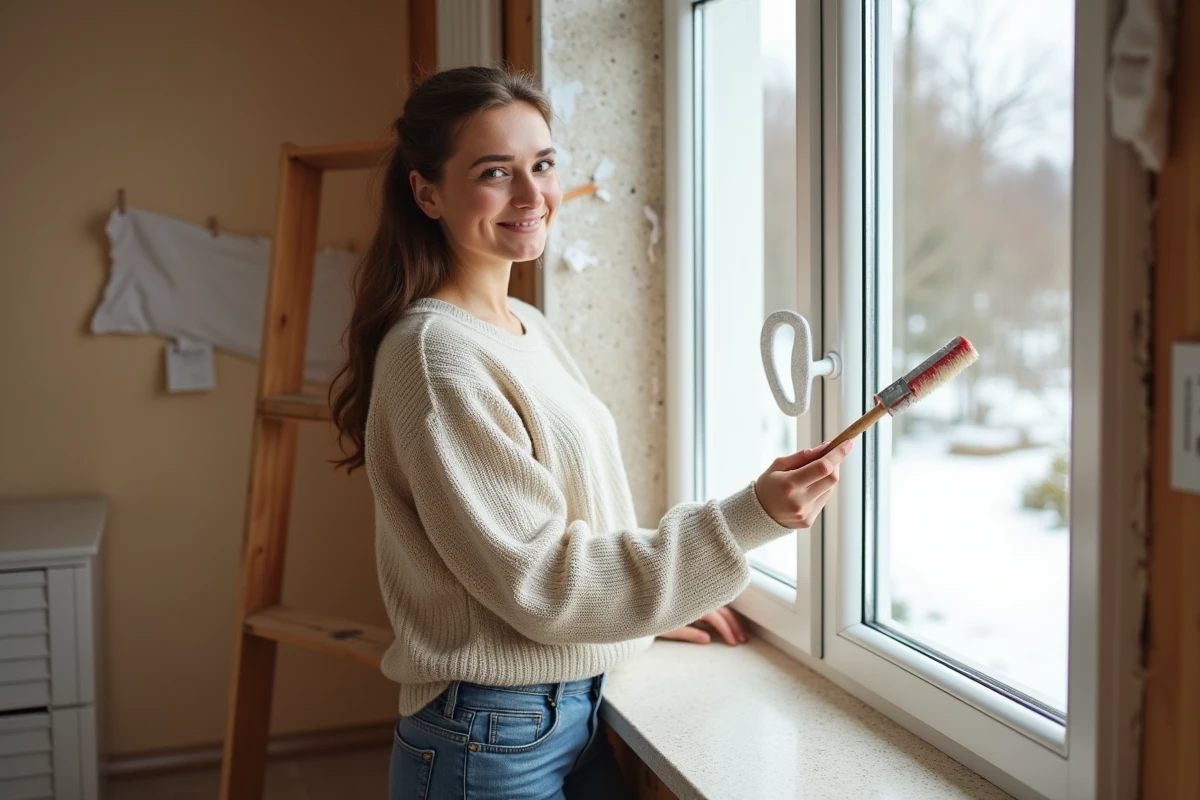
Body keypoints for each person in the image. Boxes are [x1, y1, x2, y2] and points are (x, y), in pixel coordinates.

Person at [330, 66, 853, 800]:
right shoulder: (436, 357)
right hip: (490, 738)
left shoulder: (526, 328)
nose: (532, 195)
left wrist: (652, 606)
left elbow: (570, 532)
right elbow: (543, 582)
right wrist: (748, 520)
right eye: (494, 172)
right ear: (427, 193)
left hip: (567, 710)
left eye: (541, 164)